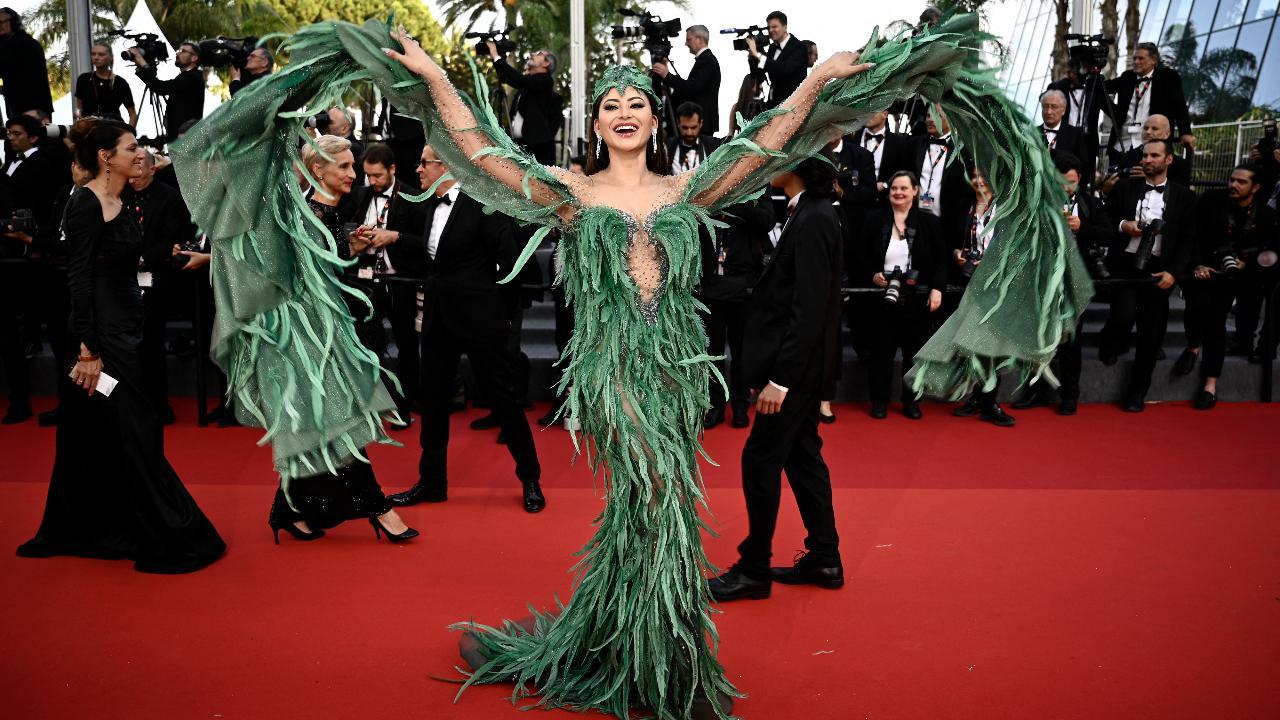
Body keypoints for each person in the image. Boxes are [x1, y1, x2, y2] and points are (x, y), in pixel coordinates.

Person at [173, 15, 1087, 718]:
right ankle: (664, 658)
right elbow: (484, 153)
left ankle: (635, 647)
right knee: (652, 494)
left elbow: (768, 142)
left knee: (663, 507)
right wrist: (427, 77)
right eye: (609, 104)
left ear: (654, 117)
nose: (622, 113)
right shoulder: (569, 195)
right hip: (610, 372)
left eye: (636, 103)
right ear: (596, 120)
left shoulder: (689, 188)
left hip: (679, 374)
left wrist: (813, 80)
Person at [15, 117, 225, 573]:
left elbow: (124, 257)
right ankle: (152, 528)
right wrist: (88, 351)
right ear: (106, 156)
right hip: (103, 342)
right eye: (132, 148)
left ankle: (88, 524)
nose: (141, 155)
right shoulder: (86, 204)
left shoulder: (120, 196)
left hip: (126, 328)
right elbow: (80, 278)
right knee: (133, 424)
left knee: (90, 425)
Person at [263, 134, 419, 543]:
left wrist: (347, 247)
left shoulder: (327, 213)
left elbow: (326, 270)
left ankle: (288, 509)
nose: (354, 174)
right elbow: (301, 284)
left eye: (354, 166)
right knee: (339, 423)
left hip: (332, 333)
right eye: (346, 167)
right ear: (319, 171)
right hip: (314, 340)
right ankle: (379, 508)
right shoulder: (307, 215)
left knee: (326, 424)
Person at [709, 154, 845, 602]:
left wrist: (781, 381)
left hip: (797, 374)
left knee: (759, 459)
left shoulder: (815, 218)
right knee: (803, 457)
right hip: (800, 369)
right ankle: (825, 558)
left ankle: (753, 569)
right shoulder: (807, 212)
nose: (771, 163)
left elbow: (809, 310)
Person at [385, 144, 545, 512]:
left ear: (447, 166)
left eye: (425, 162)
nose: (419, 169)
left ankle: (530, 478)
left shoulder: (482, 203)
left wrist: (501, 315)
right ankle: (431, 481)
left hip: (481, 320)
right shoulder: (426, 204)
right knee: (433, 402)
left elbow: (512, 262)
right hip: (438, 318)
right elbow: (429, 257)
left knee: (503, 400)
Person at [1100, 139, 1196, 412]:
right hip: (1127, 265)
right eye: (1145, 155)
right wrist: (1123, 225)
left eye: (1154, 155)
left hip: (1160, 270)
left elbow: (1188, 240)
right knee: (1122, 315)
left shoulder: (1184, 197)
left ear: (1168, 160)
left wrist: (1174, 273)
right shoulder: (1124, 188)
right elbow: (1105, 219)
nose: (1147, 159)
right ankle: (1111, 341)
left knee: (1151, 335)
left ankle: (1137, 393)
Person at [1014, 151, 1111, 415]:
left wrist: (1083, 227)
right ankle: (1037, 391)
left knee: (1070, 341)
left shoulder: (1091, 203)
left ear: (1079, 179)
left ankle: (1070, 395)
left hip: (1075, 281)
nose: (1065, 188)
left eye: (1070, 182)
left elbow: (1110, 235)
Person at [342, 142, 427, 428]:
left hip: (400, 282)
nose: (372, 181)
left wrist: (394, 236)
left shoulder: (414, 197)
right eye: (368, 175)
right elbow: (343, 226)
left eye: (378, 175)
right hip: (365, 282)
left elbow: (426, 243)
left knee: (405, 344)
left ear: (392, 170)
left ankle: (406, 406)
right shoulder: (360, 195)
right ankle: (372, 403)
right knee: (368, 343)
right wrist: (357, 235)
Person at [1185, 166, 1277, 409]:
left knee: (1216, 324)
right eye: (1232, 180)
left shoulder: (1265, 216)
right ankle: (1193, 347)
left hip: (1239, 276)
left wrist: (1246, 262)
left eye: (1241, 182)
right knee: (1196, 310)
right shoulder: (1211, 202)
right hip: (1205, 270)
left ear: (1255, 187)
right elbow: (1192, 235)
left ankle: (1210, 385)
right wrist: (1198, 264)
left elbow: (1270, 251)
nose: (1233, 185)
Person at [859, 170, 946, 420]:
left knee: (914, 353)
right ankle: (879, 401)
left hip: (916, 297)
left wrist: (937, 288)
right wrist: (872, 275)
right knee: (880, 354)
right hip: (881, 297)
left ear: (915, 191)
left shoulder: (929, 222)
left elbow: (940, 261)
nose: (898, 192)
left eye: (904, 188)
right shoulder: (874, 219)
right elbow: (859, 255)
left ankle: (911, 402)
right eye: (894, 188)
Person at [125, 150, 196, 424]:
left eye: (140, 164)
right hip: (125, 281)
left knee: (152, 342)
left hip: (158, 280)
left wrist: (145, 258)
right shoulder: (119, 195)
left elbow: (174, 237)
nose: (134, 169)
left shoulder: (170, 197)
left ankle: (158, 404)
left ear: (153, 169)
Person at [946, 167, 1016, 426]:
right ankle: (978, 396)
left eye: (984, 175)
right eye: (974, 176)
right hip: (968, 283)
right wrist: (957, 254)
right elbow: (952, 240)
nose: (979, 181)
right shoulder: (963, 207)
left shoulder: (1007, 209)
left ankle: (989, 401)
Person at [1107, 42, 1194, 162]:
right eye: (1135, 58)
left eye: (1141, 58)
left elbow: (1180, 107)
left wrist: (1185, 132)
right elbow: (1104, 87)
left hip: (1151, 148)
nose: (1136, 62)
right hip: (1121, 146)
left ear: (1154, 60)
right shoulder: (1127, 77)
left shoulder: (1167, 77)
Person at [488, 42, 562, 165]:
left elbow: (519, 79)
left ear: (546, 63)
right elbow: (508, 78)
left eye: (539, 54)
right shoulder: (527, 88)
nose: (533, 54)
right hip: (521, 144)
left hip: (538, 148)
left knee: (537, 183)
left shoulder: (545, 81)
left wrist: (497, 56)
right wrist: (496, 58)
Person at [653, 25, 721, 137]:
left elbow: (691, 88)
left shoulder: (707, 60)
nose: (686, 44)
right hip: (697, 122)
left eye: (689, 39)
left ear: (699, 39)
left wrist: (667, 75)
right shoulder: (705, 59)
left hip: (700, 123)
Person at [130, 41, 204, 142]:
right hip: (180, 137)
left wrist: (143, 64)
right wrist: (141, 66)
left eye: (183, 51)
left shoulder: (193, 77)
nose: (177, 53)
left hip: (186, 138)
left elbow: (162, 88)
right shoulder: (187, 76)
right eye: (178, 50)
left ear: (194, 58)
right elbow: (158, 85)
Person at [1100, 114, 1191, 191]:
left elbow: (1181, 198)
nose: (1148, 132)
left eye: (1154, 129)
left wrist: (1152, 181)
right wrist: (1106, 190)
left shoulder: (1180, 165)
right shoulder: (1128, 157)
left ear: (1167, 134)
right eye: (1145, 128)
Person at [746, 11, 808, 108]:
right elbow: (761, 71)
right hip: (773, 104)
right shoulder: (772, 48)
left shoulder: (799, 47)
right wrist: (753, 57)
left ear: (785, 27)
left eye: (774, 27)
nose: (771, 30)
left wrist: (758, 55)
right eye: (768, 27)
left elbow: (784, 69)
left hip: (793, 105)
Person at [0, 8, 54, 119]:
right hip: (34, 107)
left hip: (29, 108)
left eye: (1, 22)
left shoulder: (17, 44)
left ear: (14, 23)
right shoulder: (25, 42)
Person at [74, 43, 138, 126]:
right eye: (93, 54)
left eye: (101, 54)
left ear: (110, 57)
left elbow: (132, 114)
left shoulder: (120, 82)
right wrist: (78, 115)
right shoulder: (83, 79)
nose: (96, 57)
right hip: (89, 128)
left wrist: (129, 133)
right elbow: (79, 107)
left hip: (112, 127)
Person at [1038, 90, 1087, 176]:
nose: (1049, 111)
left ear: (1063, 110)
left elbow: (1083, 167)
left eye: (1054, 107)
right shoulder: (1031, 133)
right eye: (1045, 106)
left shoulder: (1076, 134)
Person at [666, 101, 722, 174]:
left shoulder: (714, 145)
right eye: (685, 128)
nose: (689, 133)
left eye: (693, 127)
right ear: (678, 123)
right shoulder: (667, 146)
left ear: (701, 123)